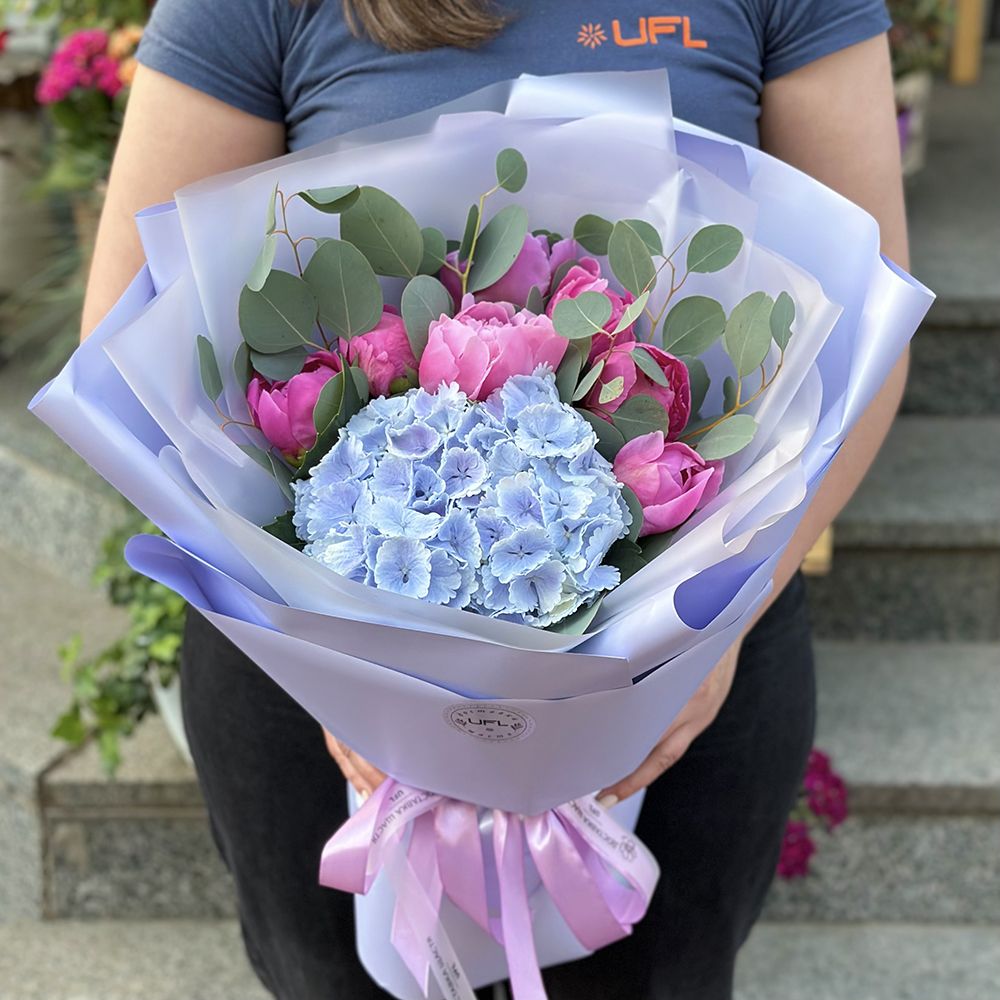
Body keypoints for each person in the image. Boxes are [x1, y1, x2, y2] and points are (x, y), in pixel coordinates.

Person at [82, 2, 909, 997]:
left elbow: (865, 330)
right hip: (309, 680)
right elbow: (133, 348)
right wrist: (344, 676)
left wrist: (714, 625)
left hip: (688, 665)